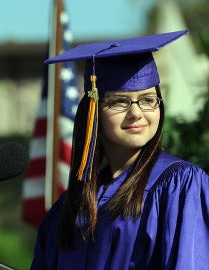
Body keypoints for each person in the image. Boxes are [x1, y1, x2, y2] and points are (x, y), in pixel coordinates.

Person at [30, 30, 209, 269]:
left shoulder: (180, 185)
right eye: (119, 101)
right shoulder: (68, 207)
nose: (136, 113)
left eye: (148, 100)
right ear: (93, 113)